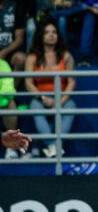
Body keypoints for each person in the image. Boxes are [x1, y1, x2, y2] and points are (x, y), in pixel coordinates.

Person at [24, 21, 76, 158]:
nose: (51, 35)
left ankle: (53, 147)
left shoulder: (66, 56)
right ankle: (53, 146)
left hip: (62, 95)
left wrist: (61, 100)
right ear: (41, 36)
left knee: (71, 109)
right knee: (36, 108)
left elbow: (71, 82)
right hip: (40, 96)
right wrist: (42, 98)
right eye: (47, 32)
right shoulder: (32, 57)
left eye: (54, 32)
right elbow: (28, 82)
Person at [0, 0, 27, 79]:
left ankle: (11, 94)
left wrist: (3, 53)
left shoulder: (16, 6)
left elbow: (19, 39)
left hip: (9, 51)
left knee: (21, 59)